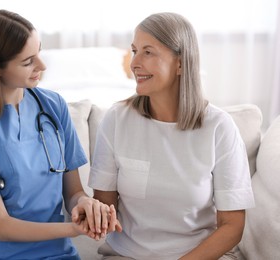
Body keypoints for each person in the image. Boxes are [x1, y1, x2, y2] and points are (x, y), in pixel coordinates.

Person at [0, 9, 120, 259]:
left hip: (55, 253)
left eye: (38, 52)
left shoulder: (53, 107)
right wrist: (72, 229)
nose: (42, 65)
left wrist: (84, 205)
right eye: (28, 61)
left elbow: (73, 193)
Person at [88, 12, 255, 260]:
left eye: (148, 52)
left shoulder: (219, 128)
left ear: (180, 63)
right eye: (134, 51)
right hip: (127, 255)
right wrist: (93, 214)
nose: (134, 63)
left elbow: (232, 226)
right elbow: (104, 206)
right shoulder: (116, 119)